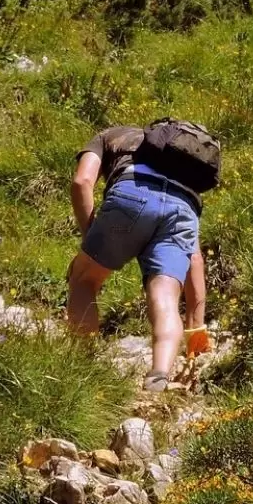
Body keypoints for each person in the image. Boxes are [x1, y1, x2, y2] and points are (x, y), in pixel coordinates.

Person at [67, 123, 210, 393]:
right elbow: (195, 259)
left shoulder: (109, 136)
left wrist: (92, 238)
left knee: (83, 279)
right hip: (184, 207)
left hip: (133, 192)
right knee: (166, 295)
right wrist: (196, 328)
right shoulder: (179, 163)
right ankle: (159, 376)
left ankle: (81, 367)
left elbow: (81, 181)